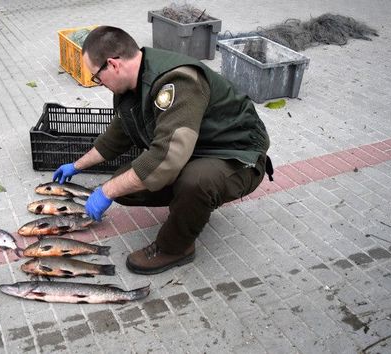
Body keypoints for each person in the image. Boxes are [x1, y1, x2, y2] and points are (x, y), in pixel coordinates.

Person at [53, 26, 272, 275]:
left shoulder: (177, 81)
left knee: (194, 182)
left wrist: (106, 191)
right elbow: (115, 138)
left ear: (113, 64)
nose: (98, 83)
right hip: (197, 151)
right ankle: (189, 208)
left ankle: (175, 247)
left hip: (237, 156)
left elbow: (166, 159)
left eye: (97, 77)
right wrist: (77, 166)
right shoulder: (133, 87)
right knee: (124, 185)